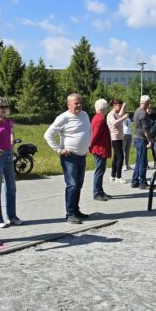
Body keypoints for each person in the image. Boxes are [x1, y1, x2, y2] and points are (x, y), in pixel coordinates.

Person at [44, 93, 92, 224]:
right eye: (76, 103)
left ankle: (76, 210)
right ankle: (70, 214)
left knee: (79, 185)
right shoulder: (63, 117)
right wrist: (59, 149)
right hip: (69, 157)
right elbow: (48, 135)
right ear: (68, 104)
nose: (79, 105)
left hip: (82, 156)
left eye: (80, 102)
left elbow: (89, 130)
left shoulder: (85, 115)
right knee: (72, 185)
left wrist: (88, 144)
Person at [0, 98, 22, 229]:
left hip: (8, 155)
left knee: (11, 188)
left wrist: (12, 142)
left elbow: (11, 133)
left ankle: (12, 216)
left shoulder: (8, 121)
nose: (4, 109)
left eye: (6, 106)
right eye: (1, 107)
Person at [90, 98, 113, 201]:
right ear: (104, 108)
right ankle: (96, 193)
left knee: (101, 171)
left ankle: (100, 191)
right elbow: (94, 136)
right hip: (99, 149)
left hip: (100, 149)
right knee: (99, 171)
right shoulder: (99, 119)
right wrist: (90, 146)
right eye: (106, 107)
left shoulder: (99, 118)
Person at [131, 95, 152, 189]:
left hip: (136, 138)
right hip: (142, 139)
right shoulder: (144, 114)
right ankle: (142, 182)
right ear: (147, 103)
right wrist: (149, 141)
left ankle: (134, 181)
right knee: (143, 161)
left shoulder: (137, 111)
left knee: (138, 161)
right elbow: (146, 131)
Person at [106, 99, 128, 183]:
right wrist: (123, 118)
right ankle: (118, 177)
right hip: (115, 138)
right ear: (114, 105)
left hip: (119, 137)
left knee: (115, 157)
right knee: (120, 156)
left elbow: (120, 114)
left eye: (121, 105)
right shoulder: (111, 114)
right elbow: (114, 123)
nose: (120, 107)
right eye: (119, 105)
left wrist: (123, 106)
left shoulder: (116, 114)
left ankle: (112, 176)